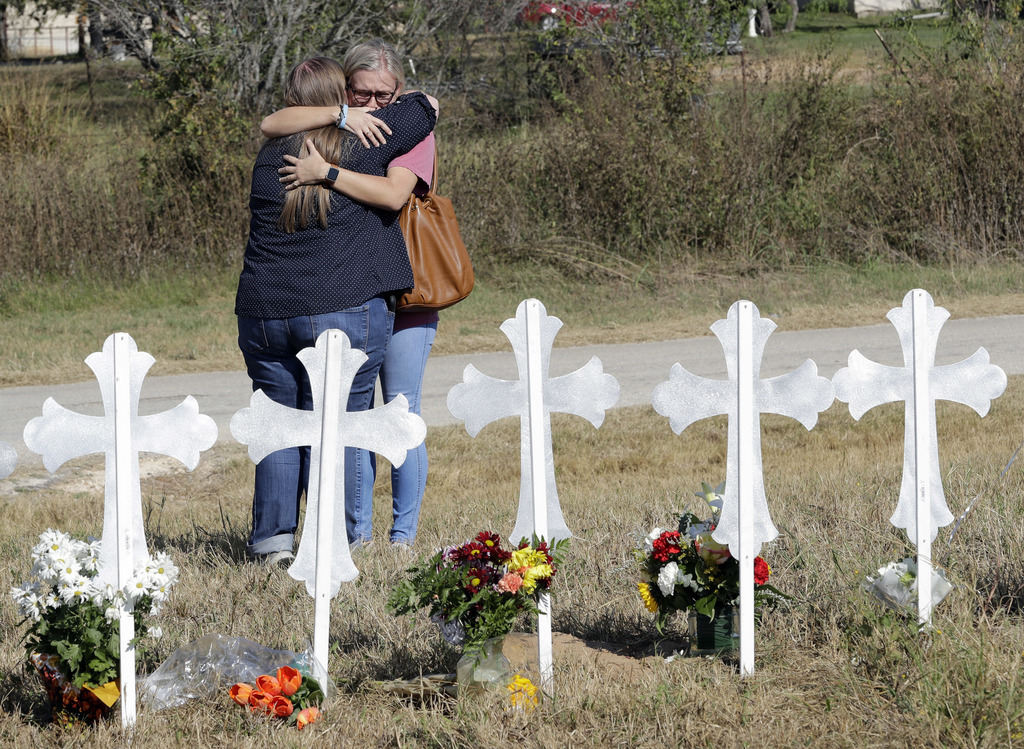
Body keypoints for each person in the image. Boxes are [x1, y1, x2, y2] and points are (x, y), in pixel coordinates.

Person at [236, 56, 436, 565]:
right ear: (340, 97)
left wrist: (338, 113)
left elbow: (270, 122)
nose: (369, 105)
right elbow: (428, 104)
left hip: (264, 312)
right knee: (344, 426)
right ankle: (340, 541)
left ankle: (274, 544)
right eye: (356, 96)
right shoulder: (370, 143)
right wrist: (349, 118)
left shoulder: (267, 158)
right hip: (342, 309)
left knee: (280, 426)